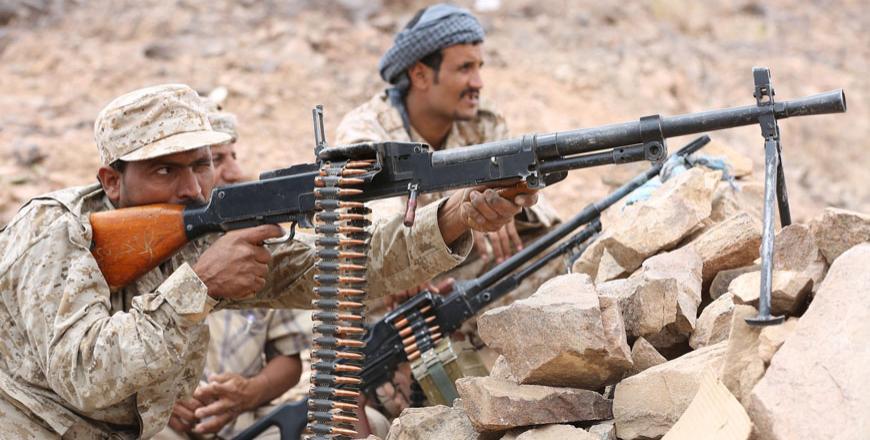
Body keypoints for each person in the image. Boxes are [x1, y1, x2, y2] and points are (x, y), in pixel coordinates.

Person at [0, 83, 536, 438]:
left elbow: (346, 264)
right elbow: (86, 374)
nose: (192, 188)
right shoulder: (54, 233)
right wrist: (201, 286)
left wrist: (456, 214)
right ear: (112, 181)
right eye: (165, 171)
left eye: (202, 165)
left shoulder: (195, 228)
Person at [334, 3, 561, 418]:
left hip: (460, 286)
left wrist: (503, 208)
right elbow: (383, 239)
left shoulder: (482, 126)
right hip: (391, 304)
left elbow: (537, 210)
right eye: (464, 69)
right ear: (421, 75)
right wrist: (465, 213)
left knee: (557, 254)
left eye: (480, 67)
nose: (478, 83)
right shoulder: (365, 135)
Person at [154, 105, 310, 440]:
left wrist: (248, 393)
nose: (236, 171)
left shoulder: (257, 239)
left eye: (234, 155)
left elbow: (289, 359)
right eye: (214, 161)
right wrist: (157, 400)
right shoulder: (140, 249)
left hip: (246, 422)